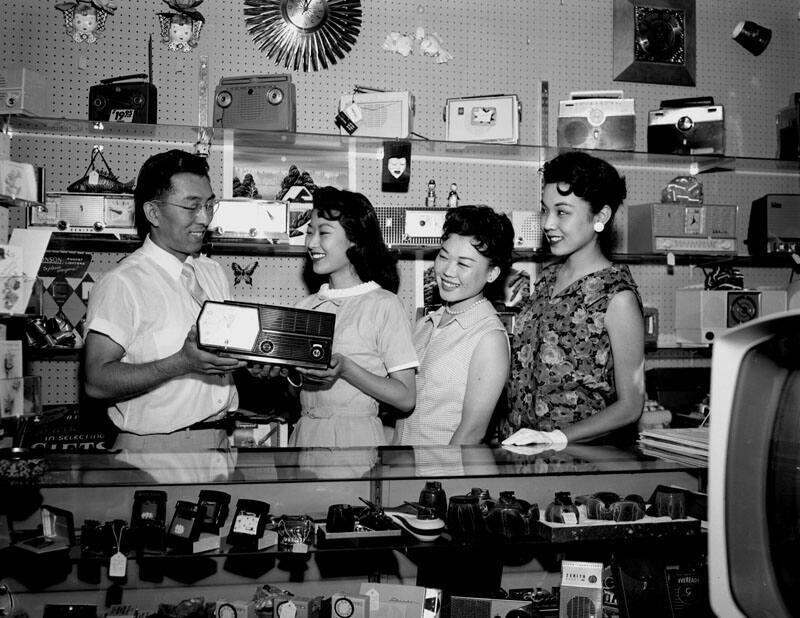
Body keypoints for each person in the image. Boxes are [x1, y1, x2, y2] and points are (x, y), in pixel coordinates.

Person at [83, 149, 246, 448]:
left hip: (221, 441)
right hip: (155, 450)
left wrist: (256, 362)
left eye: (209, 205)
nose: (205, 218)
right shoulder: (123, 283)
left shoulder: (212, 273)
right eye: (191, 207)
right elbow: (96, 380)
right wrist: (180, 363)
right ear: (154, 213)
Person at [501, 151, 645, 447]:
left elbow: (631, 406)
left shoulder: (617, 297)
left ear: (600, 217)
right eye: (545, 210)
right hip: (521, 454)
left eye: (562, 212)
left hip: (578, 465)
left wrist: (555, 438)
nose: (548, 223)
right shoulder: (547, 280)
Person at [268, 186, 418, 447]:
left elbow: (405, 397)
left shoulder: (384, 305)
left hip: (357, 441)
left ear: (354, 239)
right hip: (304, 437)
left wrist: (346, 369)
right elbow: (295, 392)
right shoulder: (304, 306)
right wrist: (283, 373)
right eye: (310, 232)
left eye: (324, 233)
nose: (311, 243)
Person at [395, 205, 514, 445]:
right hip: (404, 471)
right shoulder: (426, 324)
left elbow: (471, 433)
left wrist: (438, 481)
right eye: (443, 256)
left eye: (464, 264)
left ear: (492, 273)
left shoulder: (489, 338)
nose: (447, 271)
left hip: (441, 474)